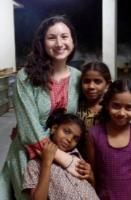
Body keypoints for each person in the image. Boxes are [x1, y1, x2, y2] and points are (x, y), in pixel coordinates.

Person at [0, 15, 81, 200]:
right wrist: (67, 161)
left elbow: (84, 117)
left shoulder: (78, 78)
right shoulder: (26, 77)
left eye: (64, 36)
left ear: (73, 41)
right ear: (42, 43)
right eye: (51, 37)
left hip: (65, 153)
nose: (59, 43)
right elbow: (29, 131)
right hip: (28, 158)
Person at [87, 79, 131, 200]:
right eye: (116, 106)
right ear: (107, 104)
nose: (121, 113)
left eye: (128, 107)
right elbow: (91, 170)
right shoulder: (94, 134)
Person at [22, 108, 99, 200]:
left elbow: (91, 188)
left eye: (75, 138)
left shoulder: (76, 156)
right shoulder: (35, 164)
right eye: (66, 132)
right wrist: (47, 162)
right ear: (54, 129)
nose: (70, 139)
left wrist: (92, 176)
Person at [77, 61, 111, 159]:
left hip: (106, 160)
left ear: (107, 84)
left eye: (97, 81)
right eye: (86, 81)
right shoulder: (77, 107)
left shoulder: (111, 110)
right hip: (79, 161)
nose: (91, 86)